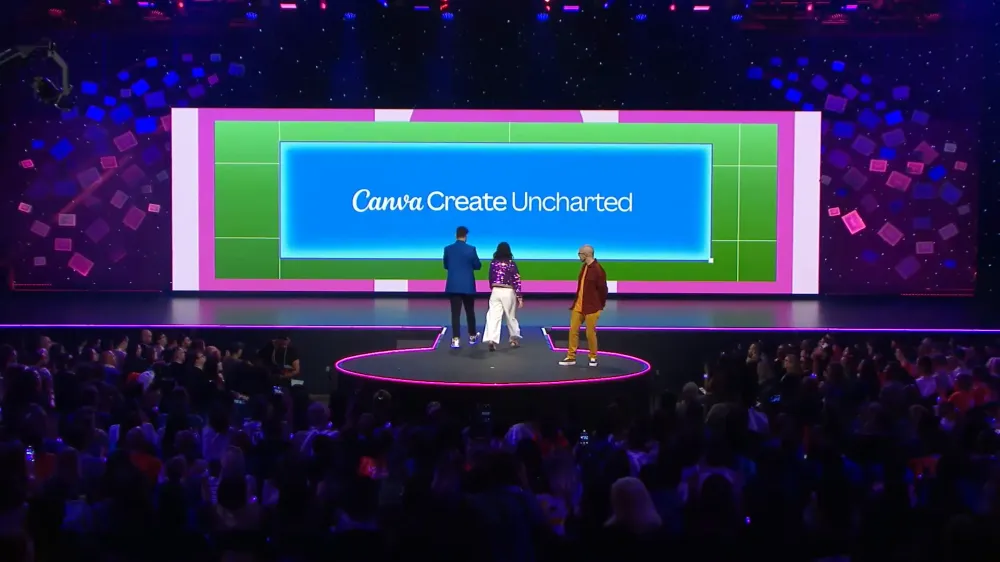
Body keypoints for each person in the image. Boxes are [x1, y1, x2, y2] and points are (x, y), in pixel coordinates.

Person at [559, 244, 607, 368]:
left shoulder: (598, 270)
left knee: (590, 333)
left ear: (586, 255)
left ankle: (593, 357)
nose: (578, 256)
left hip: (592, 307)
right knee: (573, 331)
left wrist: (600, 306)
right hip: (578, 306)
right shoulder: (584, 267)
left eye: (579, 254)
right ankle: (571, 356)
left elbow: (603, 290)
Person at [443, 226, 482, 349]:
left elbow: (446, 265)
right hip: (467, 286)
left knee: (455, 313)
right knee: (470, 311)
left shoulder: (448, 249)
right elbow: (478, 265)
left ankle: (456, 339)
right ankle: (472, 336)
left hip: (454, 285)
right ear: (466, 236)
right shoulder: (471, 249)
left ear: (456, 235)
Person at [483, 242, 523, 352]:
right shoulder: (511, 264)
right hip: (508, 291)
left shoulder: (493, 263)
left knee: (493, 316)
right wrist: (519, 297)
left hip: (495, 291)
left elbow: (490, 277)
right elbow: (516, 280)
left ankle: (492, 340)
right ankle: (513, 339)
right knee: (510, 316)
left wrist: (493, 288)